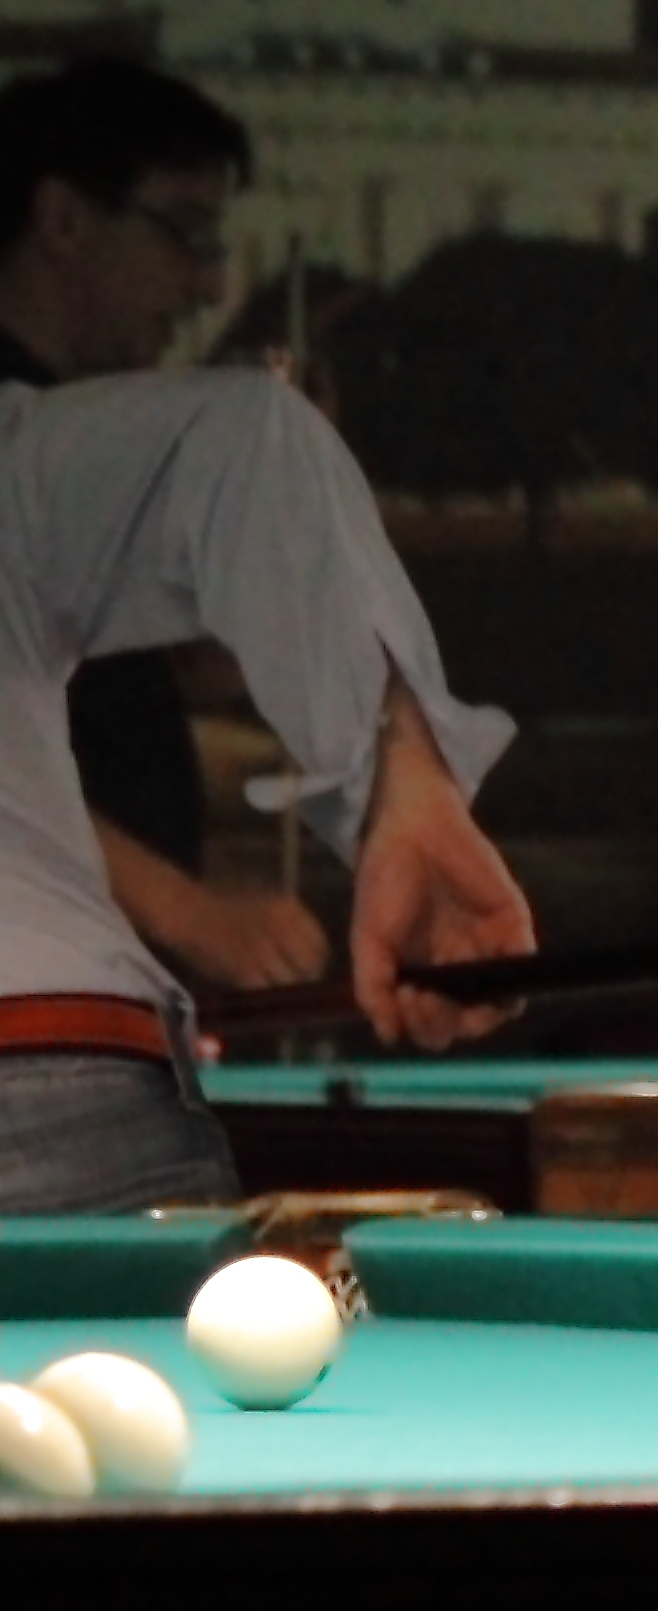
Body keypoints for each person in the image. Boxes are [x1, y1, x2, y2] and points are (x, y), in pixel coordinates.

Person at [0, 354, 535, 1209]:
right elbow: (242, 441)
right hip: (69, 1076)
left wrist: (402, 793)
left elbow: (241, 442)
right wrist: (402, 782)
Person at [0, 60, 330, 993]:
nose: (207, 283)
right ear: (62, 219)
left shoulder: (84, 429)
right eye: (185, 233)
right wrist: (187, 912)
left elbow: (205, 667)